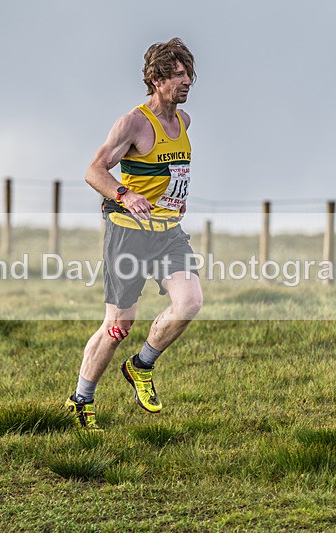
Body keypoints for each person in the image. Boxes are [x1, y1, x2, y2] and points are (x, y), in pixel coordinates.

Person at [65, 38, 202, 430]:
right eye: (177, 75)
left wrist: (174, 201)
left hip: (168, 234)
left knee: (189, 303)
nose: (186, 81)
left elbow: (169, 173)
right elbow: (94, 170)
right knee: (118, 326)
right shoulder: (133, 123)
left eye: (189, 73)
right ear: (156, 80)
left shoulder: (184, 122)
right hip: (129, 235)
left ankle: (141, 365)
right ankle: (82, 398)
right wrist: (125, 194)